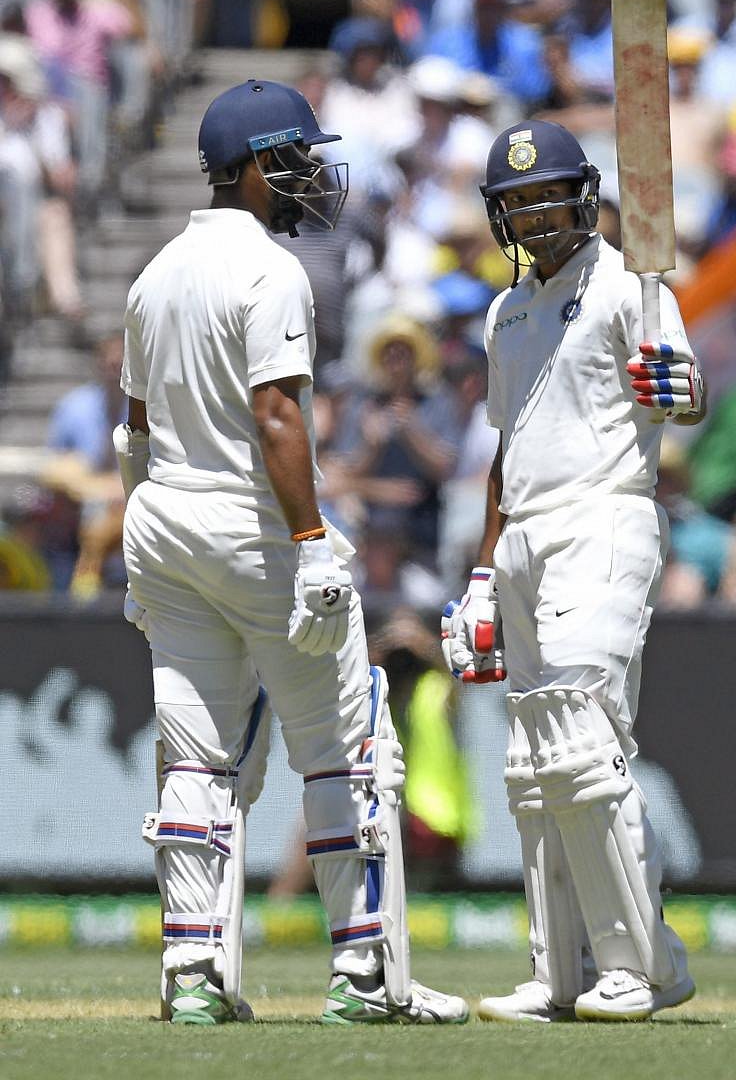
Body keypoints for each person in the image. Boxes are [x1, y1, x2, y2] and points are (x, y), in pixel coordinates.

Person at [116, 78, 468, 1026]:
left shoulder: (154, 275)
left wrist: (144, 539)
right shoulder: (271, 274)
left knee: (195, 760)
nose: (312, 173)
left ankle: (193, 975)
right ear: (255, 167)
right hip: (250, 528)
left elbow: (134, 434)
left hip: (165, 522)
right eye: (297, 157)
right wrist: (312, 544)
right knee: (347, 749)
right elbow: (277, 417)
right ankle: (365, 977)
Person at [441, 119, 705, 1022]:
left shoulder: (634, 282)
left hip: (604, 516)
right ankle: (560, 976)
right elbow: (506, 450)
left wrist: (678, 387)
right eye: (513, 200)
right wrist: (481, 576)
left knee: (582, 745)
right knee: (532, 765)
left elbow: (684, 382)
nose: (531, 211)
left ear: (581, 196)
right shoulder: (505, 311)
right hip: (522, 536)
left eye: (545, 194)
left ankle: (648, 965)